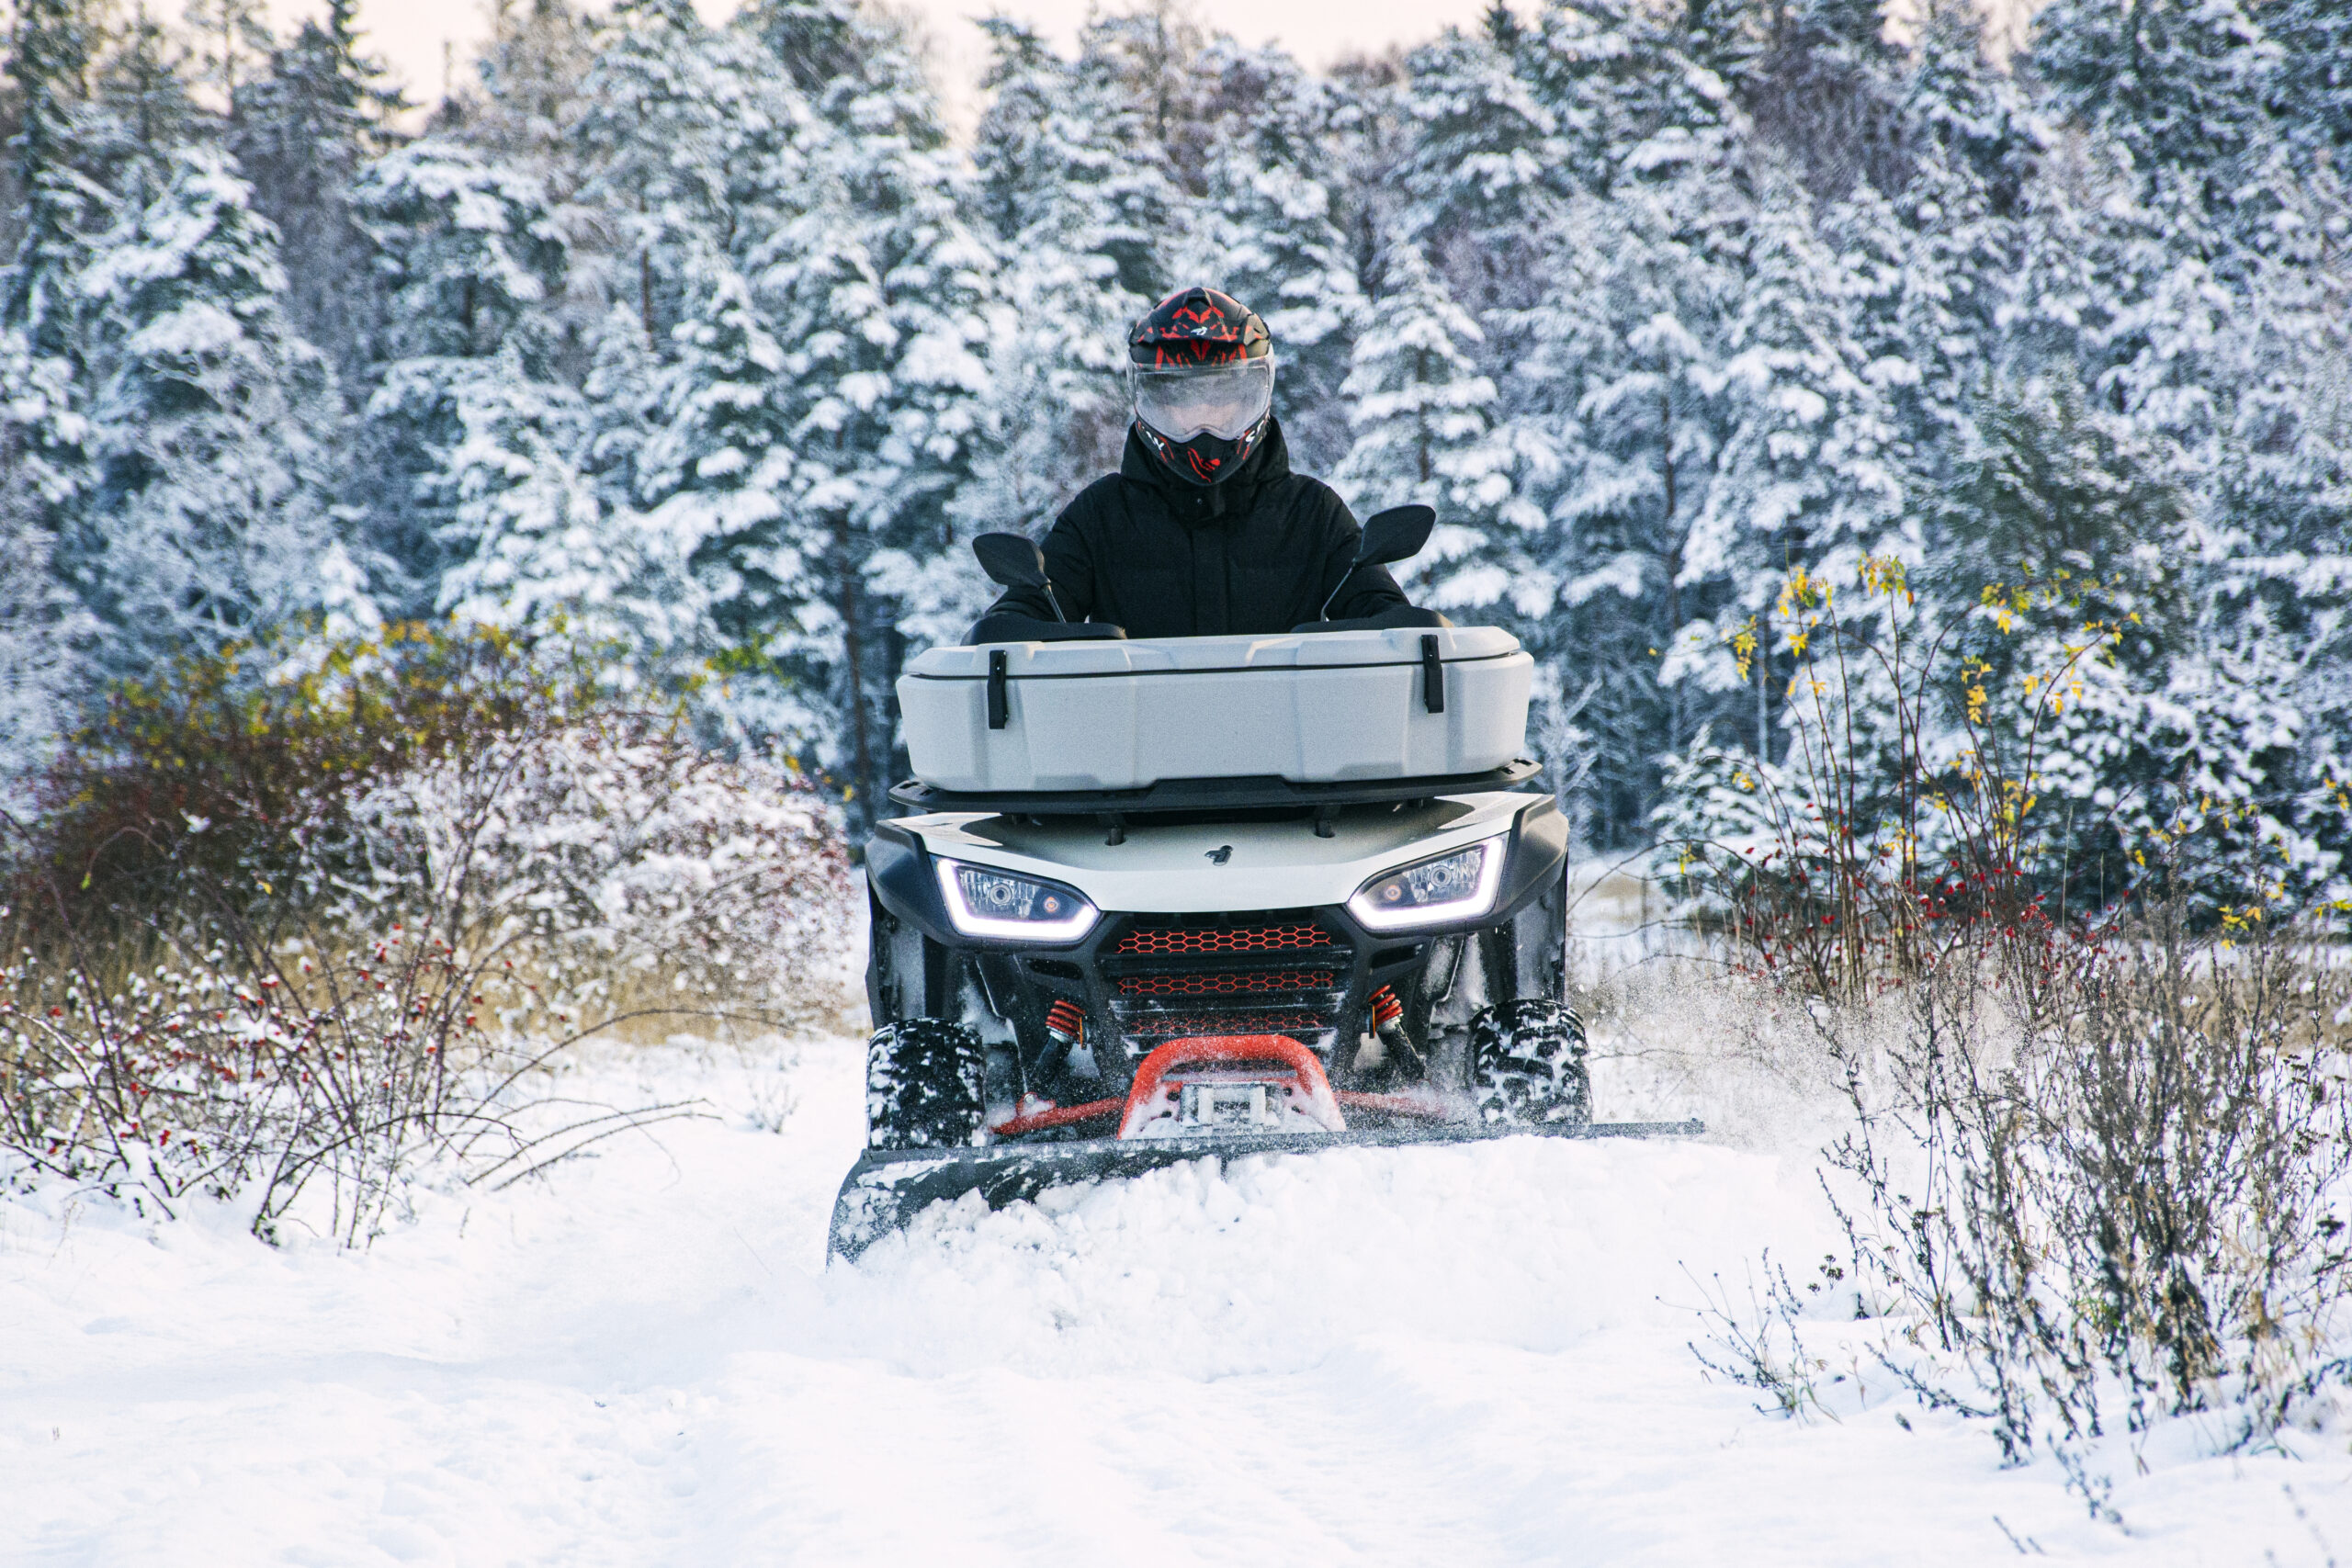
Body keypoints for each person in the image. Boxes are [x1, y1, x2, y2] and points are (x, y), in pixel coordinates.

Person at [979, 286, 1411, 638]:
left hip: (1288, 740)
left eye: (1224, 399)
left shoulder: (1312, 513)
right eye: (1181, 400)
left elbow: (1387, 619)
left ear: (1258, 394)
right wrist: (1015, 621)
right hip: (1133, 742)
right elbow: (1031, 609)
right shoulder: (1101, 516)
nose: (1205, 424)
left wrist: (1392, 624)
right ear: (1144, 399)